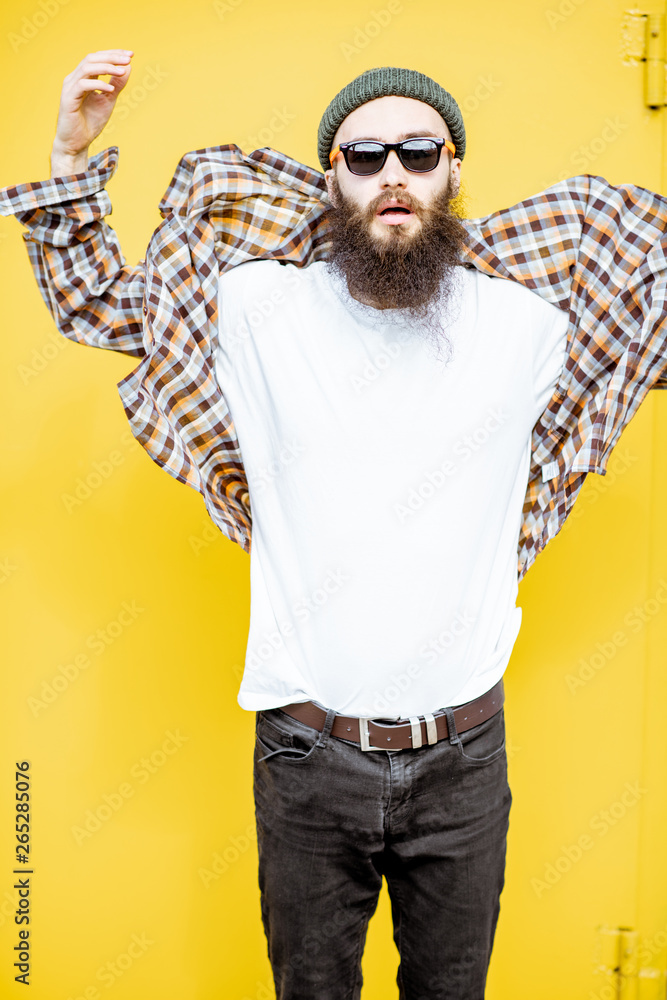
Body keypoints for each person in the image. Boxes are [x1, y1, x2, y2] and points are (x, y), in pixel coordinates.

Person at [1, 51, 666, 1000]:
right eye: (363, 155)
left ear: (451, 170)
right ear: (329, 180)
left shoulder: (529, 320)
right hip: (306, 756)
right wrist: (70, 156)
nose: (392, 172)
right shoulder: (253, 307)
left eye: (417, 151)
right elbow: (100, 302)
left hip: (467, 758)